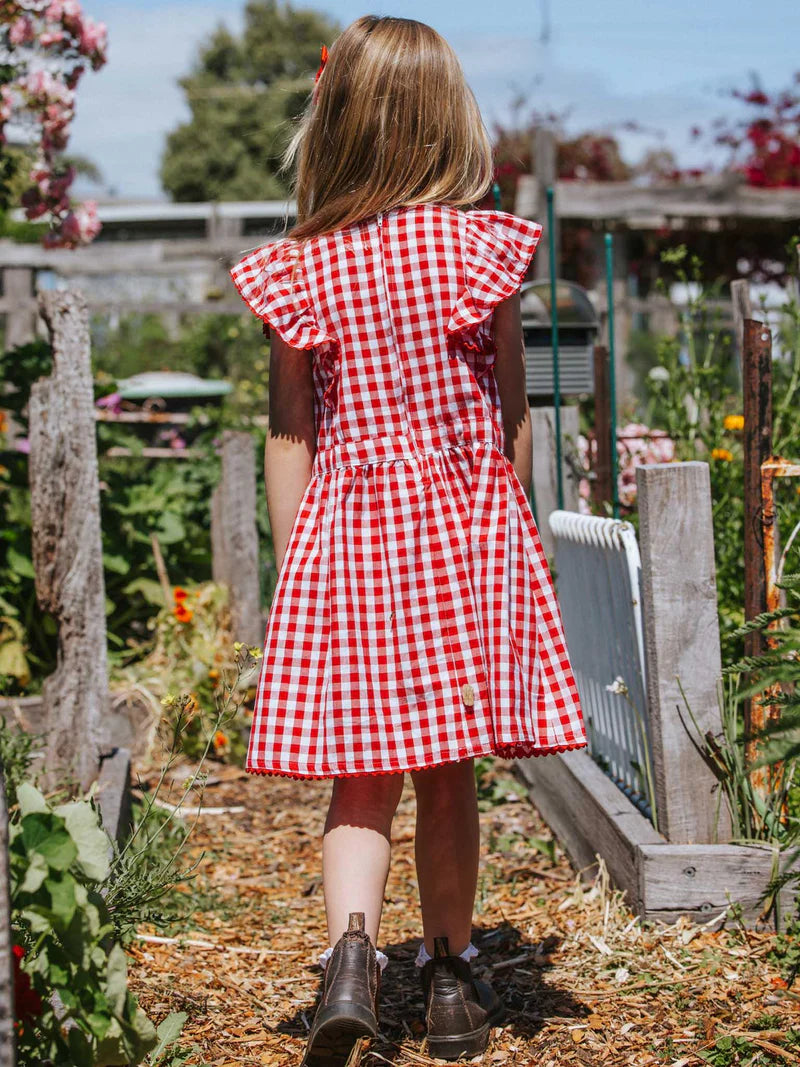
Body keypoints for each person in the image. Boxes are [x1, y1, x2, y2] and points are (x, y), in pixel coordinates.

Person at [229, 14, 586, 1065]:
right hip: (458, 541)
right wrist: (500, 535)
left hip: (344, 542)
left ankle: (349, 958)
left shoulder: (304, 268)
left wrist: (303, 561)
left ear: (334, 123)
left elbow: (289, 428)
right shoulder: (480, 252)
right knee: (445, 772)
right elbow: (512, 416)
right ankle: (444, 973)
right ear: (448, 125)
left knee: (359, 775)